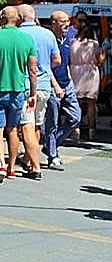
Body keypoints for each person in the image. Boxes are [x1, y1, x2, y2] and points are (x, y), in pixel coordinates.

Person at [0, 6, 37, 184]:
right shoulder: (27, 39)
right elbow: (33, 70)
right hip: (18, 90)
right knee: (13, 129)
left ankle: (1, 163)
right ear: (17, 18)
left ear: (2, 19)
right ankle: (12, 167)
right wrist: (33, 93)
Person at [14, 4, 56, 178]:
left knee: (26, 127)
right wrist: (44, 69)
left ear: (20, 17)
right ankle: (28, 160)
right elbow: (57, 59)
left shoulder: (20, 35)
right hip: (45, 86)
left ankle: (35, 166)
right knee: (36, 124)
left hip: (26, 86)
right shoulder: (48, 34)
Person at [44, 11, 82, 171]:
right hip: (53, 85)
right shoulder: (49, 40)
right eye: (63, 22)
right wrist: (56, 86)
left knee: (75, 116)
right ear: (54, 23)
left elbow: (65, 62)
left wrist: (70, 81)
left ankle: (51, 144)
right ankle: (53, 155)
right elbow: (46, 66)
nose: (67, 24)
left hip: (67, 83)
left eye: (68, 21)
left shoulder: (67, 39)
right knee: (52, 121)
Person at [71, 23, 103, 144]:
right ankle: (91, 129)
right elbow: (99, 60)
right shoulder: (94, 44)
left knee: (77, 103)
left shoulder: (73, 43)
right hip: (90, 72)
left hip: (75, 72)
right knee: (91, 103)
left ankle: (76, 128)